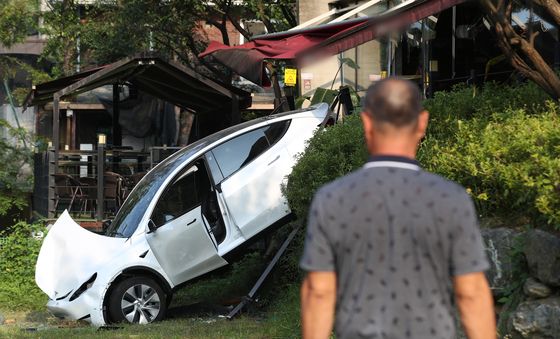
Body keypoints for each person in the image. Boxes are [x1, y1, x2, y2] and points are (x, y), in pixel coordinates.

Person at [300, 78, 496, 339]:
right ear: (422, 123)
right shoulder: (451, 199)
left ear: (367, 123)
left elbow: (319, 290)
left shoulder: (332, 199)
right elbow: (471, 291)